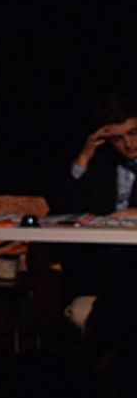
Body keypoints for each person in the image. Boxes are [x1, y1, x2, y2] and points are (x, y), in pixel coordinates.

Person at [54, 92, 137, 332]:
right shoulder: (101, 165)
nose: (128, 145)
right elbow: (62, 213)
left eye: (133, 133)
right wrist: (84, 157)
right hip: (102, 277)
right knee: (87, 313)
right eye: (118, 139)